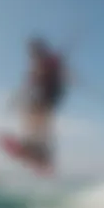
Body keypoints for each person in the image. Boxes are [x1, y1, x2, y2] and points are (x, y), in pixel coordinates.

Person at [10, 36, 68, 167]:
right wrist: (17, 96)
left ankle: (41, 150)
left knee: (38, 117)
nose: (31, 56)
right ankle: (35, 147)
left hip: (50, 94)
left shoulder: (49, 61)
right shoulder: (40, 63)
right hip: (45, 95)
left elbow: (60, 73)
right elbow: (29, 81)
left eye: (33, 52)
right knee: (30, 114)